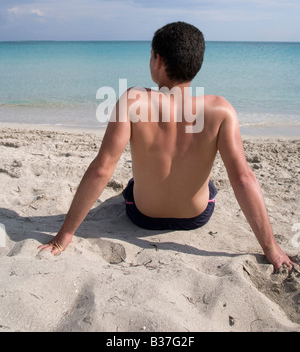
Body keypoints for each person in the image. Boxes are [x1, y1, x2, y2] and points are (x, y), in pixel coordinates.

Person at [39, 22, 297, 272]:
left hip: (143, 216)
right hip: (196, 217)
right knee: (209, 185)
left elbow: (101, 169)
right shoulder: (220, 109)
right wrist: (270, 246)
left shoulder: (133, 101)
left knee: (131, 186)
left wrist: (64, 235)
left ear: (158, 60)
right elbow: (243, 178)